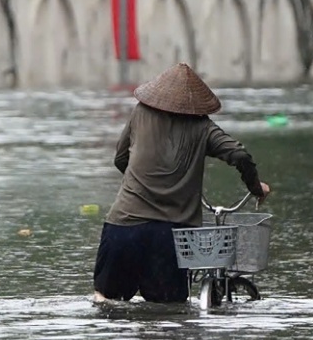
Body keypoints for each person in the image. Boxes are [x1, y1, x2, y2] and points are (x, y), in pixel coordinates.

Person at [94, 64, 271, 304]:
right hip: (170, 236)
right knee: (169, 316)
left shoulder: (140, 113)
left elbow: (120, 159)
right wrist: (256, 188)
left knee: (106, 303)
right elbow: (239, 155)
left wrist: (143, 182)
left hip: (123, 226)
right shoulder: (203, 128)